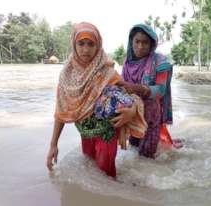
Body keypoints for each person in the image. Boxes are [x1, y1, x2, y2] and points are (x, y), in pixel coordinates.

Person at [46, 22, 147, 178]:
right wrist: (53, 145)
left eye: (91, 44)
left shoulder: (107, 72)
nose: (85, 49)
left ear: (98, 45)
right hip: (85, 134)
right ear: (74, 44)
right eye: (81, 43)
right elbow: (61, 111)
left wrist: (132, 111)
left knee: (106, 176)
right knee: (89, 170)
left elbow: (130, 96)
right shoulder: (66, 76)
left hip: (107, 134)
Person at [121, 23, 181, 159]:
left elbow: (160, 90)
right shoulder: (127, 62)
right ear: (131, 42)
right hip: (133, 113)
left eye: (145, 43)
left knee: (146, 157)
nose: (140, 46)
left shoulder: (160, 62)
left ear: (152, 45)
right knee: (133, 149)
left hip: (150, 117)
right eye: (137, 41)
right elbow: (121, 86)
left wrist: (138, 88)